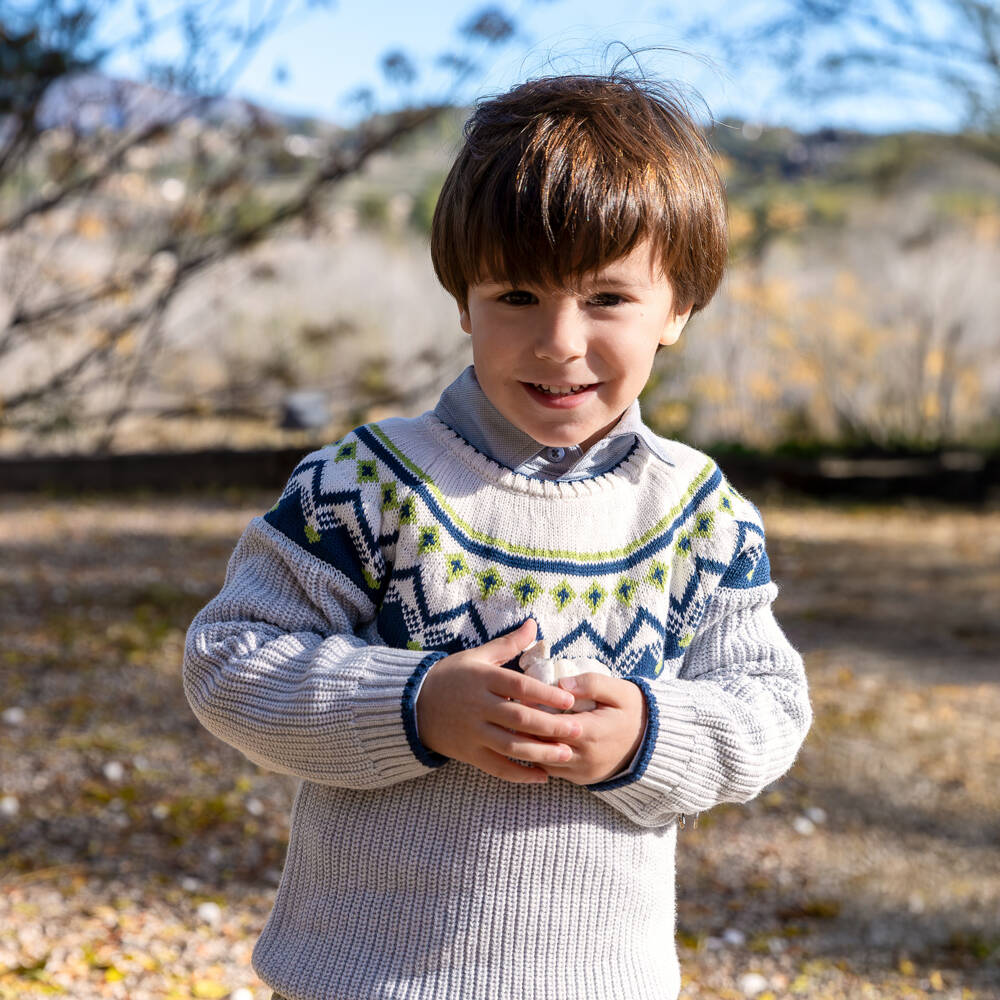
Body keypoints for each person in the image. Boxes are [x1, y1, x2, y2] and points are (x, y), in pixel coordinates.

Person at [183, 71, 812, 1000]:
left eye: (607, 299)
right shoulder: (366, 485)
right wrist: (416, 703)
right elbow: (230, 661)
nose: (559, 342)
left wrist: (651, 735)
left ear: (677, 307)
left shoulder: (701, 515)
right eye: (517, 295)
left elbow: (769, 707)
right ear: (462, 298)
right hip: (361, 979)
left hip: (603, 981)